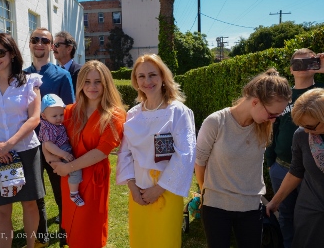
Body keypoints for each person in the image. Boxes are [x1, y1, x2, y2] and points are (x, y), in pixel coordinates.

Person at [195, 68, 292, 248]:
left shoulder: (263, 126)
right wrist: (206, 192)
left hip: (251, 208)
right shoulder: (215, 122)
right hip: (216, 207)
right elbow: (199, 164)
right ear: (255, 102)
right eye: (272, 115)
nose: (273, 121)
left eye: (277, 116)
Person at [116, 54, 197, 248]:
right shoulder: (133, 114)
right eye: (141, 76)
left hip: (167, 190)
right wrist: (133, 187)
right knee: (141, 240)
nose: (147, 81)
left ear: (162, 77)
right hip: (139, 191)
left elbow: (185, 154)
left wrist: (159, 189)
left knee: (165, 241)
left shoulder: (178, 112)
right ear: (135, 81)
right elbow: (125, 153)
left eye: (152, 75)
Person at [0, 33, 44, 248]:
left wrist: (9, 144)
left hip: (25, 150)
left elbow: (34, 118)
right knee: (1, 209)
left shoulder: (30, 82)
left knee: (30, 204)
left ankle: (31, 246)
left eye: (0, 52)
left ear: (12, 53)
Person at [44, 60, 126, 248]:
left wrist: (67, 167)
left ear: (106, 83)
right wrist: (50, 159)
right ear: (80, 83)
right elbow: (48, 135)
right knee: (73, 229)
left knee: (90, 231)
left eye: (98, 81)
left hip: (93, 178)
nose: (92, 86)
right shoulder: (69, 111)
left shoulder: (114, 114)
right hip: (70, 179)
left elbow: (101, 152)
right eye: (87, 81)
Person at [264, 48, 324, 248]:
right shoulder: (284, 97)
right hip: (283, 167)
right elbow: (272, 130)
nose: (306, 131)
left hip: (310, 174)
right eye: (297, 63)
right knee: (290, 216)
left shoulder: (321, 93)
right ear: (290, 69)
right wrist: (271, 163)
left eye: (309, 62)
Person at [24, 27, 75, 247]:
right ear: (30, 43)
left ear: (51, 46)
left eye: (45, 40)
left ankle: (66, 235)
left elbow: (70, 112)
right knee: (36, 195)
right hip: (30, 145)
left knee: (61, 193)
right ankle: (41, 237)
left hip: (56, 146)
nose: (39, 43)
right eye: (35, 39)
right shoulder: (21, 75)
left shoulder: (61, 75)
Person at [39, 94, 84, 207]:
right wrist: (63, 154)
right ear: (44, 116)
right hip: (60, 151)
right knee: (75, 171)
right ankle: (74, 193)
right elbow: (48, 145)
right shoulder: (47, 128)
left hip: (64, 149)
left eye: (61, 114)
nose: (59, 118)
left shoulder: (55, 124)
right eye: (54, 116)